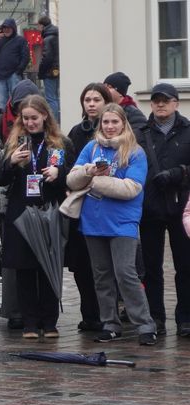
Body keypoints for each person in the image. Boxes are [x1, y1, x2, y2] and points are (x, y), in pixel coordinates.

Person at [67, 103, 157, 346]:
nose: (109, 127)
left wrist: (95, 182)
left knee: (126, 274)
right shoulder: (91, 147)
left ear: (123, 123)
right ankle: (110, 323)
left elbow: (131, 188)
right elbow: (72, 179)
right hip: (93, 222)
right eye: (105, 122)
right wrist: (88, 172)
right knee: (102, 276)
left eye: (114, 122)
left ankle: (145, 325)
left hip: (123, 222)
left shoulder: (135, 152)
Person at [0, 95, 68, 338]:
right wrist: (11, 162)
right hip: (21, 210)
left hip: (49, 208)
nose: (30, 123)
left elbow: (71, 176)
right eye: (25, 118)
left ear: (45, 116)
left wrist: (58, 173)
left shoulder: (58, 143)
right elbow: (0, 178)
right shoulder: (15, 142)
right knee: (25, 268)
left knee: (48, 266)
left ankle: (49, 321)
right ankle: (29, 322)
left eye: (34, 118)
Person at [0, 78, 40, 330]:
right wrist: (9, 157)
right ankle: (14, 309)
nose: (23, 113)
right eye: (19, 107)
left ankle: (39, 309)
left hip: (41, 200)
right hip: (9, 198)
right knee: (12, 254)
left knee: (39, 254)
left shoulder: (43, 124)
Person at [137, 83, 190, 337]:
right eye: (156, 100)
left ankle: (186, 318)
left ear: (176, 104)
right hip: (150, 206)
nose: (160, 104)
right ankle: (156, 316)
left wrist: (179, 173)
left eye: (165, 100)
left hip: (181, 206)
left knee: (185, 265)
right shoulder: (141, 133)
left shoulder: (188, 130)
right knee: (151, 266)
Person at [66, 83, 112, 332]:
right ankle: (89, 314)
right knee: (82, 264)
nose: (92, 104)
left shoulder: (115, 130)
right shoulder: (76, 132)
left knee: (105, 265)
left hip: (107, 205)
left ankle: (108, 314)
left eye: (96, 99)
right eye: (87, 100)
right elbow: (69, 166)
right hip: (81, 206)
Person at [0, 18, 30, 110]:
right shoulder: (0, 40)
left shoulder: (20, 40)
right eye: (4, 28)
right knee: (2, 102)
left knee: (16, 100)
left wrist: (19, 71)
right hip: (0, 75)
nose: (6, 30)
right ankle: (3, 122)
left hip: (13, 75)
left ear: (13, 28)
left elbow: (25, 57)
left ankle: (16, 121)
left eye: (8, 28)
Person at [37, 16, 60, 123]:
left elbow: (47, 57)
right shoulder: (56, 35)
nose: (38, 28)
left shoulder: (48, 39)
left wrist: (41, 71)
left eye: (38, 26)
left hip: (49, 71)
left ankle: (53, 122)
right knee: (56, 96)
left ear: (42, 25)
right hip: (57, 70)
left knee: (51, 98)